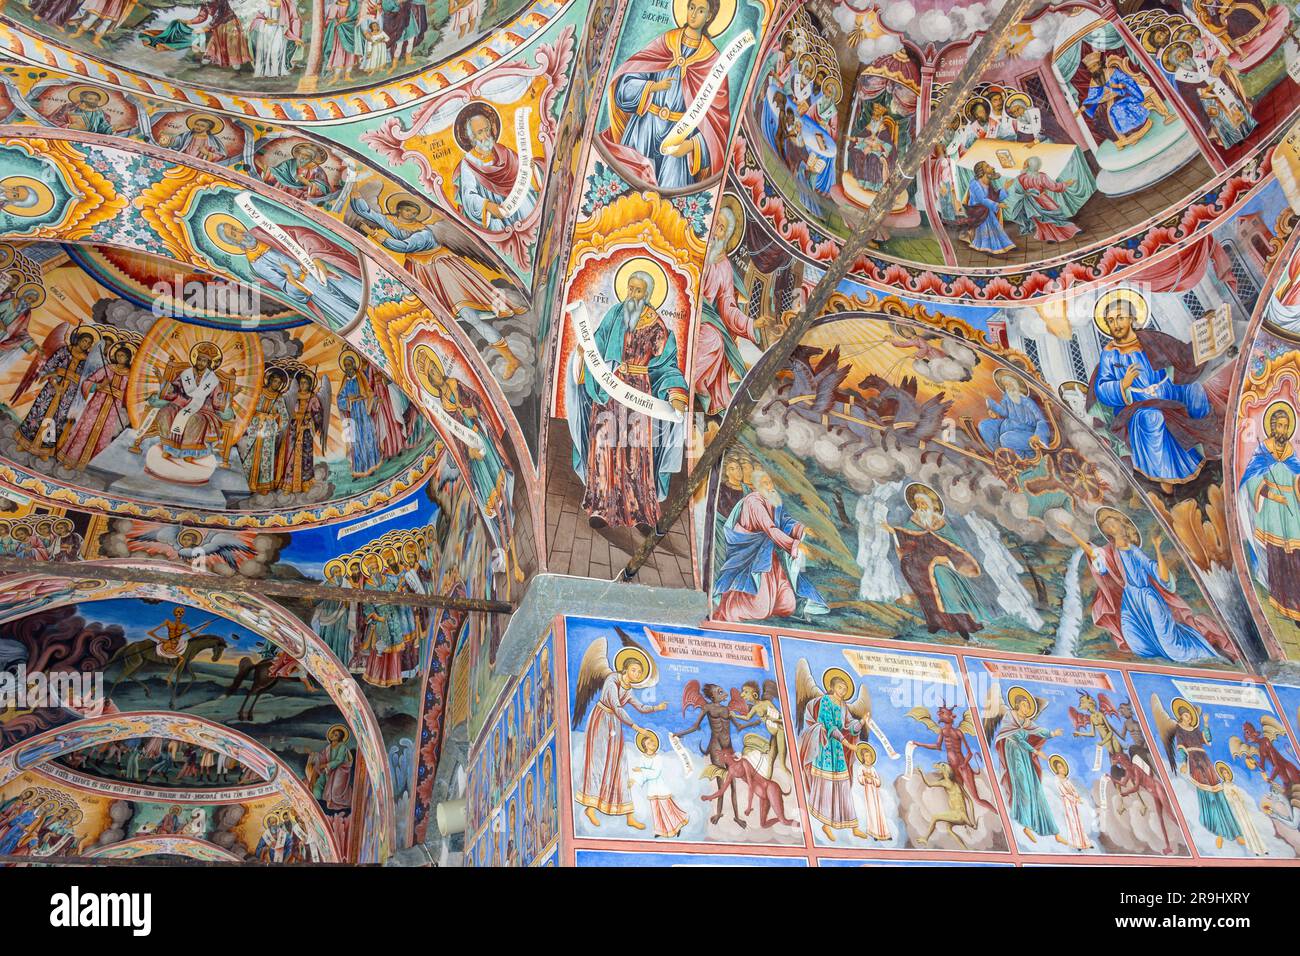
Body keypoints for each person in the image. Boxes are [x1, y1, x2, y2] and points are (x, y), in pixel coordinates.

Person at [567, 266, 687, 532]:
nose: (632, 294)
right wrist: (584, 350)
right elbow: (596, 341)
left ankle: (640, 511)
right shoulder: (616, 313)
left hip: (639, 392)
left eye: (638, 290)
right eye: (630, 288)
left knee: (636, 450)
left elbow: (667, 365)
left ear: (648, 294)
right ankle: (601, 506)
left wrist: (675, 393)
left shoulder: (657, 326)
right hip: (611, 387)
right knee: (603, 444)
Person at [1088, 289, 1221, 490]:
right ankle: (1164, 477)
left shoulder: (1150, 339)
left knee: (1195, 390)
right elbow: (1102, 390)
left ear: (1132, 318)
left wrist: (1207, 328)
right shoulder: (1110, 354)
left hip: (1167, 391)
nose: (1115, 324)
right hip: (1138, 404)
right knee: (1152, 418)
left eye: (1120, 318)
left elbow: (1182, 355)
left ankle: (1208, 445)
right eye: (1111, 320)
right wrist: (1123, 384)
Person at [1062, 508, 1230, 662]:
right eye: (1106, 527)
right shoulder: (1110, 551)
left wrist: (1157, 548)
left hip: (1148, 599)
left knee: (1173, 648)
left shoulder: (1134, 551)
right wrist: (1071, 532)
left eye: (1112, 524)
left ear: (1122, 526)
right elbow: (1093, 554)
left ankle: (1205, 652)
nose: (1109, 528)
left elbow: (1157, 571)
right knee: (1137, 644)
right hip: (1130, 600)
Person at [599, 0, 731, 188]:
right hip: (644, 127)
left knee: (667, 205)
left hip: (678, 139)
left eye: (700, 10)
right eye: (691, 7)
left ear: (709, 16)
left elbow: (717, 124)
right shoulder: (666, 41)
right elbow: (625, 85)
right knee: (625, 189)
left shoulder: (712, 61)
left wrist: (692, 145)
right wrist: (652, 87)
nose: (693, 14)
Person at [713, 468, 828, 622]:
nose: (770, 486)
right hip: (752, 558)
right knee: (759, 610)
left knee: (788, 604)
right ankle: (730, 609)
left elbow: (784, 521)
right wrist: (794, 545)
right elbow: (770, 529)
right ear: (755, 487)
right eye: (765, 483)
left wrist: (800, 528)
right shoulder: (753, 502)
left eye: (770, 482)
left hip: (769, 557)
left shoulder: (772, 499)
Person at [882, 483, 986, 642]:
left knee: (943, 579)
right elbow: (908, 539)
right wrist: (894, 532)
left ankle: (963, 625)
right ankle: (936, 622)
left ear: (931, 505)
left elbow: (952, 545)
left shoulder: (940, 523)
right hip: (920, 563)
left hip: (943, 563)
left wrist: (944, 558)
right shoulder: (914, 522)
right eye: (918, 504)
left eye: (924, 503)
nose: (921, 507)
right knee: (918, 579)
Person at [1240, 401, 1300, 623]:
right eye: (1280, 426)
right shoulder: (1263, 450)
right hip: (1274, 512)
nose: (1283, 430)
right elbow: (1252, 478)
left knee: (1295, 558)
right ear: (1273, 427)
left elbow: (1296, 475)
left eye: (1286, 426)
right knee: (1277, 558)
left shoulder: (1291, 452)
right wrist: (1272, 495)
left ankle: (1297, 605)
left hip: (1292, 509)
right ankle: (1283, 604)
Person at [452, 103, 541, 231]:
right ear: (472, 137)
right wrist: (487, 206)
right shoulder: (468, 163)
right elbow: (468, 195)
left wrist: (531, 169)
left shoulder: (504, 152)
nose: (486, 135)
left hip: (518, 206)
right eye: (480, 132)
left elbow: (523, 177)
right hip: (495, 213)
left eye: (487, 129)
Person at [994, 686, 1063, 845]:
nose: (1028, 708)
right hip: (1014, 755)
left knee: (1035, 788)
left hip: (1025, 756)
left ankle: (1050, 830)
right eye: (1025, 705)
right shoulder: (1009, 717)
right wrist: (1036, 752)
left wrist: (1052, 734)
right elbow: (1017, 738)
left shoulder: (1026, 722)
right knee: (1023, 786)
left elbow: (1038, 730)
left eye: (1029, 706)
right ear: (1017, 705)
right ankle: (1026, 824)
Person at [629, 730, 689, 838]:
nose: (652, 744)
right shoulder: (642, 758)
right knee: (656, 812)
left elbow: (655, 773)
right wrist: (634, 780)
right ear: (644, 747)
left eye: (652, 741)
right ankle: (659, 830)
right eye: (648, 743)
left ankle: (677, 826)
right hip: (652, 789)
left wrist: (641, 770)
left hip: (660, 788)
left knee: (668, 810)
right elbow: (641, 775)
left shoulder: (658, 758)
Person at [978, 369, 1051, 456]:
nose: (1009, 387)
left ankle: (1021, 459)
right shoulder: (1007, 398)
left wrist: (1038, 435)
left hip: (1026, 433)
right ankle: (1001, 454)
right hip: (1007, 427)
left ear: (1018, 385)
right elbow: (1004, 412)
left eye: (1011, 384)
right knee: (985, 425)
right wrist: (990, 401)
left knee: (1006, 438)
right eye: (1006, 386)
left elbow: (1040, 420)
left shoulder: (1027, 402)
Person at [1008, 156, 1080, 243]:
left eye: (1025, 163)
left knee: (1043, 219)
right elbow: (1055, 187)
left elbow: (1017, 191)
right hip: (1042, 199)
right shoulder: (1041, 176)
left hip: (1030, 204)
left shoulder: (1020, 178)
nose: (1024, 165)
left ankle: (1057, 235)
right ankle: (1061, 234)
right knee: (1053, 217)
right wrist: (1066, 184)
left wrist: (1027, 194)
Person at [957, 161, 1015, 255]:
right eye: (988, 166)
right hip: (977, 210)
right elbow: (982, 199)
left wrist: (1005, 189)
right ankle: (986, 246)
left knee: (992, 219)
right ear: (982, 171)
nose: (992, 167)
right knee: (990, 220)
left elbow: (994, 197)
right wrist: (997, 205)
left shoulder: (988, 183)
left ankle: (1002, 244)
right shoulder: (974, 183)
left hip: (985, 209)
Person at [1050, 754, 1093, 850]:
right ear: (1056, 769)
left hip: (1074, 803)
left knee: (1079, 822)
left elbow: (1072, 789)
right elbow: (1064, 792)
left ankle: (1085, 842)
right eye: (1060, 767)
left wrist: (1077, 796)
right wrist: (1074, 799)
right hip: (1068, 803)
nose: (1062, 769)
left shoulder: (1066, 779)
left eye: (1063, 767)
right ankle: (1077, 844)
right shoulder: (1057, 779)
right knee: (1073, 823)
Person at [852, 742, 890, 841]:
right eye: (866, 756)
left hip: (875, 793)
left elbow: (878, 782)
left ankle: (884, 833)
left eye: (869, 756)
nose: (868, 758)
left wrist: (872, 778)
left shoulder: (873, 769)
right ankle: (874, 833)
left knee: (879, 811)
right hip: (868, 792)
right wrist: (867, 778)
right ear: (863, 758)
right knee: (872, 811)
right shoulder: (861, 768)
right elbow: (860, 780)